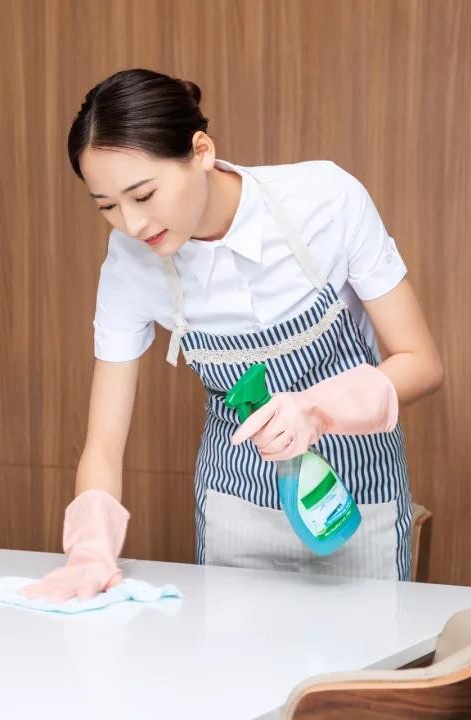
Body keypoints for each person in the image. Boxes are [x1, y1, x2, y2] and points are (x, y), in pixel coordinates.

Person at [23, 69, 444, 603]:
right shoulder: (131, 262)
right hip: (235, 510)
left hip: (356, 503)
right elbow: (104, 444)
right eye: (107, 206)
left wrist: (317, 410)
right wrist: (90, 552)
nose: (132, 224)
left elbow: (421, 362)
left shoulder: (325, 199)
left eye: (144, 194)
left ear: (201, 151)